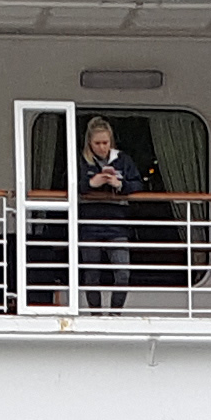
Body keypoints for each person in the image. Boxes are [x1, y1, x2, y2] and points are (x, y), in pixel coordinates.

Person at [74, 116, 140, 311]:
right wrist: (90, 184)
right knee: (91, 274)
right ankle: (96, 314)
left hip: (116, 223)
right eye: (98, 143)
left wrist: (120, 184)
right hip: (89, 224)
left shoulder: (123, 159)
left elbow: (138, 183)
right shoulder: (80, 161)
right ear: (89, 143)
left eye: (106, 143)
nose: (102, 147)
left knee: (123, 273)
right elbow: (67, 183)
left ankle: (115, 313)